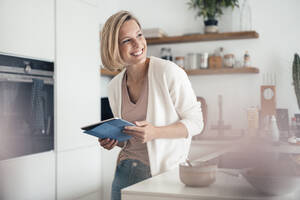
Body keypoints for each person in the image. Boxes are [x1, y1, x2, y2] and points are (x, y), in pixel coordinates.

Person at [99, 10, 203, 200]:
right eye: (127, 40)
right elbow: (128, 140)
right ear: (114, 47)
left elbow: (196, 122)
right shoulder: (114, 86)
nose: (138, 44)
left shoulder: (168, 72)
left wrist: (156, 132)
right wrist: (113, 140)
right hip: (124, 172)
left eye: (139, 35)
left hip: (163, 176)